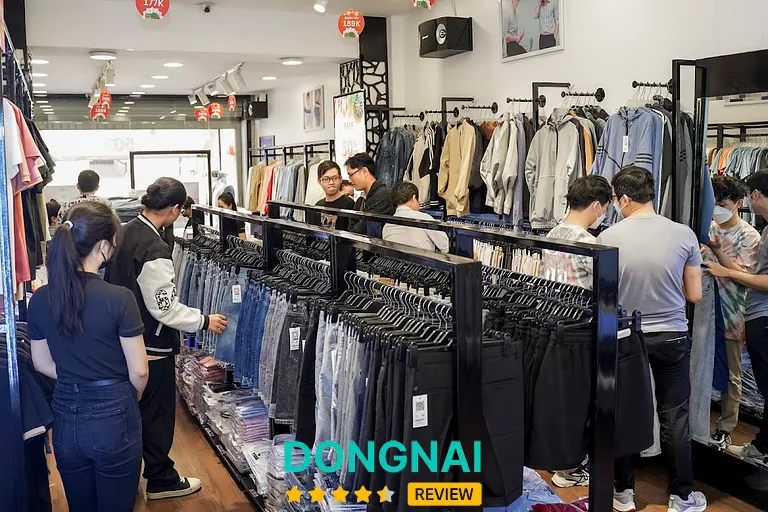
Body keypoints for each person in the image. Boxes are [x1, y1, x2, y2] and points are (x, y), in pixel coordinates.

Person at [106, 177, 227, 500]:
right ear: (174, 209)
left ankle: (133, 475)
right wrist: (204, 320)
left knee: (135, 412)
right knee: (157, 413)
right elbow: (164, 308)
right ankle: (161, 479)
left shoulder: (124, 232)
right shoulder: (154, 247)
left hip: (125, 336)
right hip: (151, 343)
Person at [596, 167, 707, 512]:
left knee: (624, 412)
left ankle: (623, 493)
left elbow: (603, 296)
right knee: (674, 417)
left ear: (625, 199)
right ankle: (682, 496)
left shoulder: (607, 237)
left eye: (616, 199)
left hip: (626, 336)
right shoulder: (684, 234)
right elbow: (695, 295)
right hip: (672, 336)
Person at [28, 201, 149, 511]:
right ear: (103, 245)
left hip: (66, 415)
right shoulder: (119, 298)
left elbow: (41, 363)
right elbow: (139, 371)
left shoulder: (40, 299)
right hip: (114, 412)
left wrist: (75, 374)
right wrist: (127, 395)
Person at [706, 170, 768, 474]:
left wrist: (719, 258)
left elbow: (749, 277)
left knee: (733, 373)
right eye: (715, 203)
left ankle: (727, 427)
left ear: (741, 201)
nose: (718, 209)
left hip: (736, 310)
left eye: (724, 204)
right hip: (706, 309)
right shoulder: (709, 227)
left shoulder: (750, 235)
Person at [542, 175, 611, 291]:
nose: (604, 214)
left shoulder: (552, 234)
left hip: (553, 299)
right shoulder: (589, 243)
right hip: (579, 301)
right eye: (606, 208)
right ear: (596, 206)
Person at [383, 182, 449, 253]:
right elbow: (445, 247)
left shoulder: (387, 226)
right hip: (423, 259)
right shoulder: (423, 218)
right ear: (414, 198)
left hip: (394, 260)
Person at [345, 153, 395, 235]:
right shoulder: (361, 200)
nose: (350, 180)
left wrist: (358, 226)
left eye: (351, 175)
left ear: (364, 171)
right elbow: (351, 228)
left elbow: (365, 227)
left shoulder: (383, 196)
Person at [307, 161, 356, 230]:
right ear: (319, 181)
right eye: (326, 179)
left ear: (340, 179)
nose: (331, 182)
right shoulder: (318, 206)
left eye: (335, 178)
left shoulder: (349, 204)